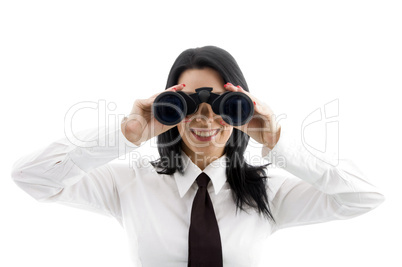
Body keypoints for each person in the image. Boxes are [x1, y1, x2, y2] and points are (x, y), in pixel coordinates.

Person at [11, 46, 385, 267]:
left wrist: (278, 142)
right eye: (187, 102)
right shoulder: (128, 185)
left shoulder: (269, 193)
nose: (205, 118)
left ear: (241, 105)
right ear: (170, 104)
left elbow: (365, 197)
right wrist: (123, 136)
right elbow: (31, 176)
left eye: (223, 102)